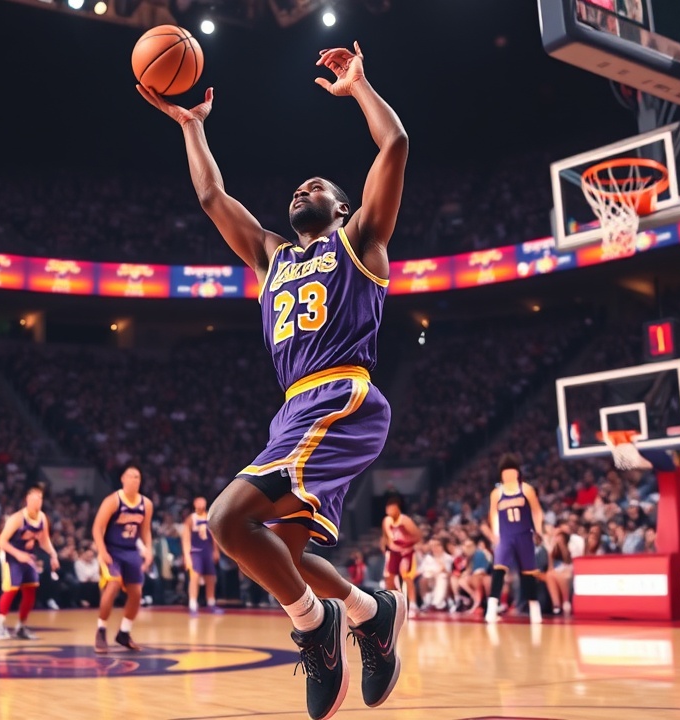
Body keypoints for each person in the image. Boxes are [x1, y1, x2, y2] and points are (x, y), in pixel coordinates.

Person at [139, 39, 409, 720]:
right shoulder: (271, 256)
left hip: (340, 396)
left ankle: (315, 627)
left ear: (343, 209)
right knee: (278, 553)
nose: (301, 190)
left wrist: (359, 87)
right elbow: (211, 195)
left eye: (316, 187)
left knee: (226, 520)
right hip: (295, 411)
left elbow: (395, 145)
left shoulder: (360, 241)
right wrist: (192, 127)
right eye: (296, 188)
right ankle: (368, 610)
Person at [91, 465, 154, 653]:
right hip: (112, 550)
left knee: (136, 593)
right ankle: (101, 630)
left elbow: (145, 531)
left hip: (131, 551)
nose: (135, 480)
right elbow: (97, 527)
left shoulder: (146, 504)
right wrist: (102, 551)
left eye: (138, 477)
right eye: (131, 476)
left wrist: (149, 550)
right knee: (113, 585)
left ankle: (124, 633)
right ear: (123, 479)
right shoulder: (113, 500)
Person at [485, 453, 546, 624]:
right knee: (499, 570)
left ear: (518, 472)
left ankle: (535, 611)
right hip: (505, 536)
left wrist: (538, 530)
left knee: (528, 572)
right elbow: (493, 514)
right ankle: (491, 610)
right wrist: (495, 534)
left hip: (524, 534)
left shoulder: (526, 489)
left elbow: (536, 511)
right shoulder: (496, 493)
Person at [0, 485, 60, 640]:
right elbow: (1, 541)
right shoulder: (17, 518)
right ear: (27, 500)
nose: (37, 502)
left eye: (40, 499)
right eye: (34, 499)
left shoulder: (42, 517)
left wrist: (53, 554)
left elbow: (44, 540)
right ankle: (0, 625)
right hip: (10, 555)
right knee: (11, 589)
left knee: (31, 589)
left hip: (27, 556)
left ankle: (21, 626)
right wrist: (18, 554)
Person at [181, 496, 222, 616]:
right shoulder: (191, 519)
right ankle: (193, 604)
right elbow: (186, 539)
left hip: (207, 552)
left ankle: (211, 603)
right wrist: (187, 556)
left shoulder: (209, 517)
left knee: (211, 577)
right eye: (198, 502)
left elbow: (214, 536)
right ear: (194, 504)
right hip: (195, 552)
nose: (200, 504)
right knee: (194, 578)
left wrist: (216, 550)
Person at [380, 497, 420, 612]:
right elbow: (385, 537)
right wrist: (384, 547)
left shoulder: (405, 520)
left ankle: (413, 603)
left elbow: (417, 536)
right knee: (389, 577)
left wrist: (407, 546)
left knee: (406, 576)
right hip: (393, 552)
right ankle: (394, 602)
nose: (390, 510)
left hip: (406, 552)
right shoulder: (386, 521)